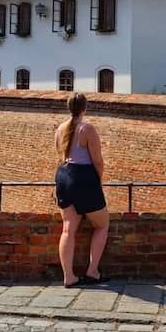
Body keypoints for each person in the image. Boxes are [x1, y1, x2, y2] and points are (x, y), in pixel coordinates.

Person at [54, 91, 110, 287]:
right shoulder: (88, 129)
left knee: (68, 229)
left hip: (63, 177)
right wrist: (99, 181)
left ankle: (68, 277)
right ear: (85, 108)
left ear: (69, 108)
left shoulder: (60, 128)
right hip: (84, 178)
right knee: (102, 225)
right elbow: (97, 160)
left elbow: (59, 156)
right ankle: (92, 271)